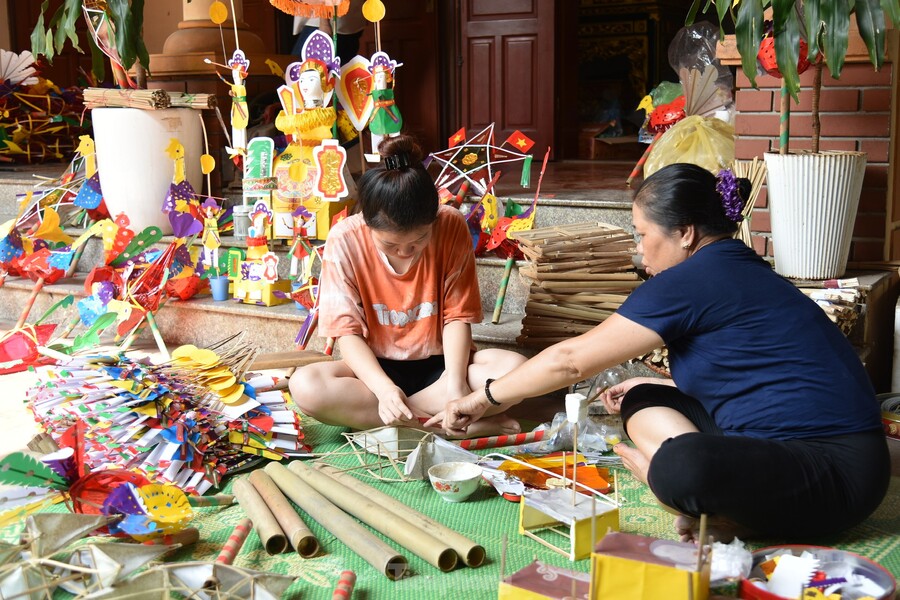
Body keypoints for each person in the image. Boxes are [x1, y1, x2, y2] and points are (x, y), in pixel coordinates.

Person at [427, 163, 890, 542]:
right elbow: (749, 372)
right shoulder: (736, 265)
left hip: (834, 476)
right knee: (641, 398)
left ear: (685, 233)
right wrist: (663, 384)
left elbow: (571, 360)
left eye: (641, 233)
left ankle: (671, 484)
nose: (637, 249)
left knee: (679, 468)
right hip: (781, 445)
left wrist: (482, 398)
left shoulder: (688, 282)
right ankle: (705, 492)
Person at [290, 135, 527, 434]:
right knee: (306, 385)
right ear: (368, 223)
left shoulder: (451, 224)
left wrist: (454, 386)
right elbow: (346, 332)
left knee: (517, 370)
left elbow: (458, 316)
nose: (405, 252)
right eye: (390, 244)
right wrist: (385, 391)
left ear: (433, 220)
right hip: (374, 372)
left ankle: (410, 423)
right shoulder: (345, 238)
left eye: (418, 241)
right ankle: (448, 427)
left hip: (442, 368)